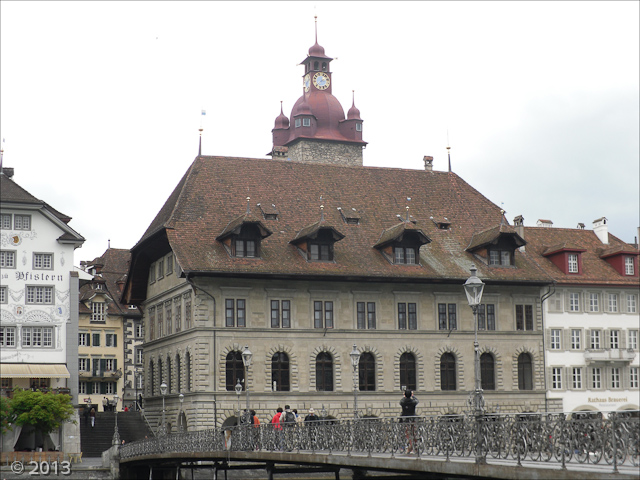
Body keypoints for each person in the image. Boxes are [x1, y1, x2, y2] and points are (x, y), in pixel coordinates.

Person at [399, 389, 419, 453]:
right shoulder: (413, 402)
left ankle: (410, 446)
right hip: (412, 419)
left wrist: (404, 396)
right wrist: (413, 396)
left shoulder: (403, 402)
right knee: (413, 433)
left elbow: (400, 401)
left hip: (406, 419)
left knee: (407, 433)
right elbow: (417, 401)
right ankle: (414, 446)